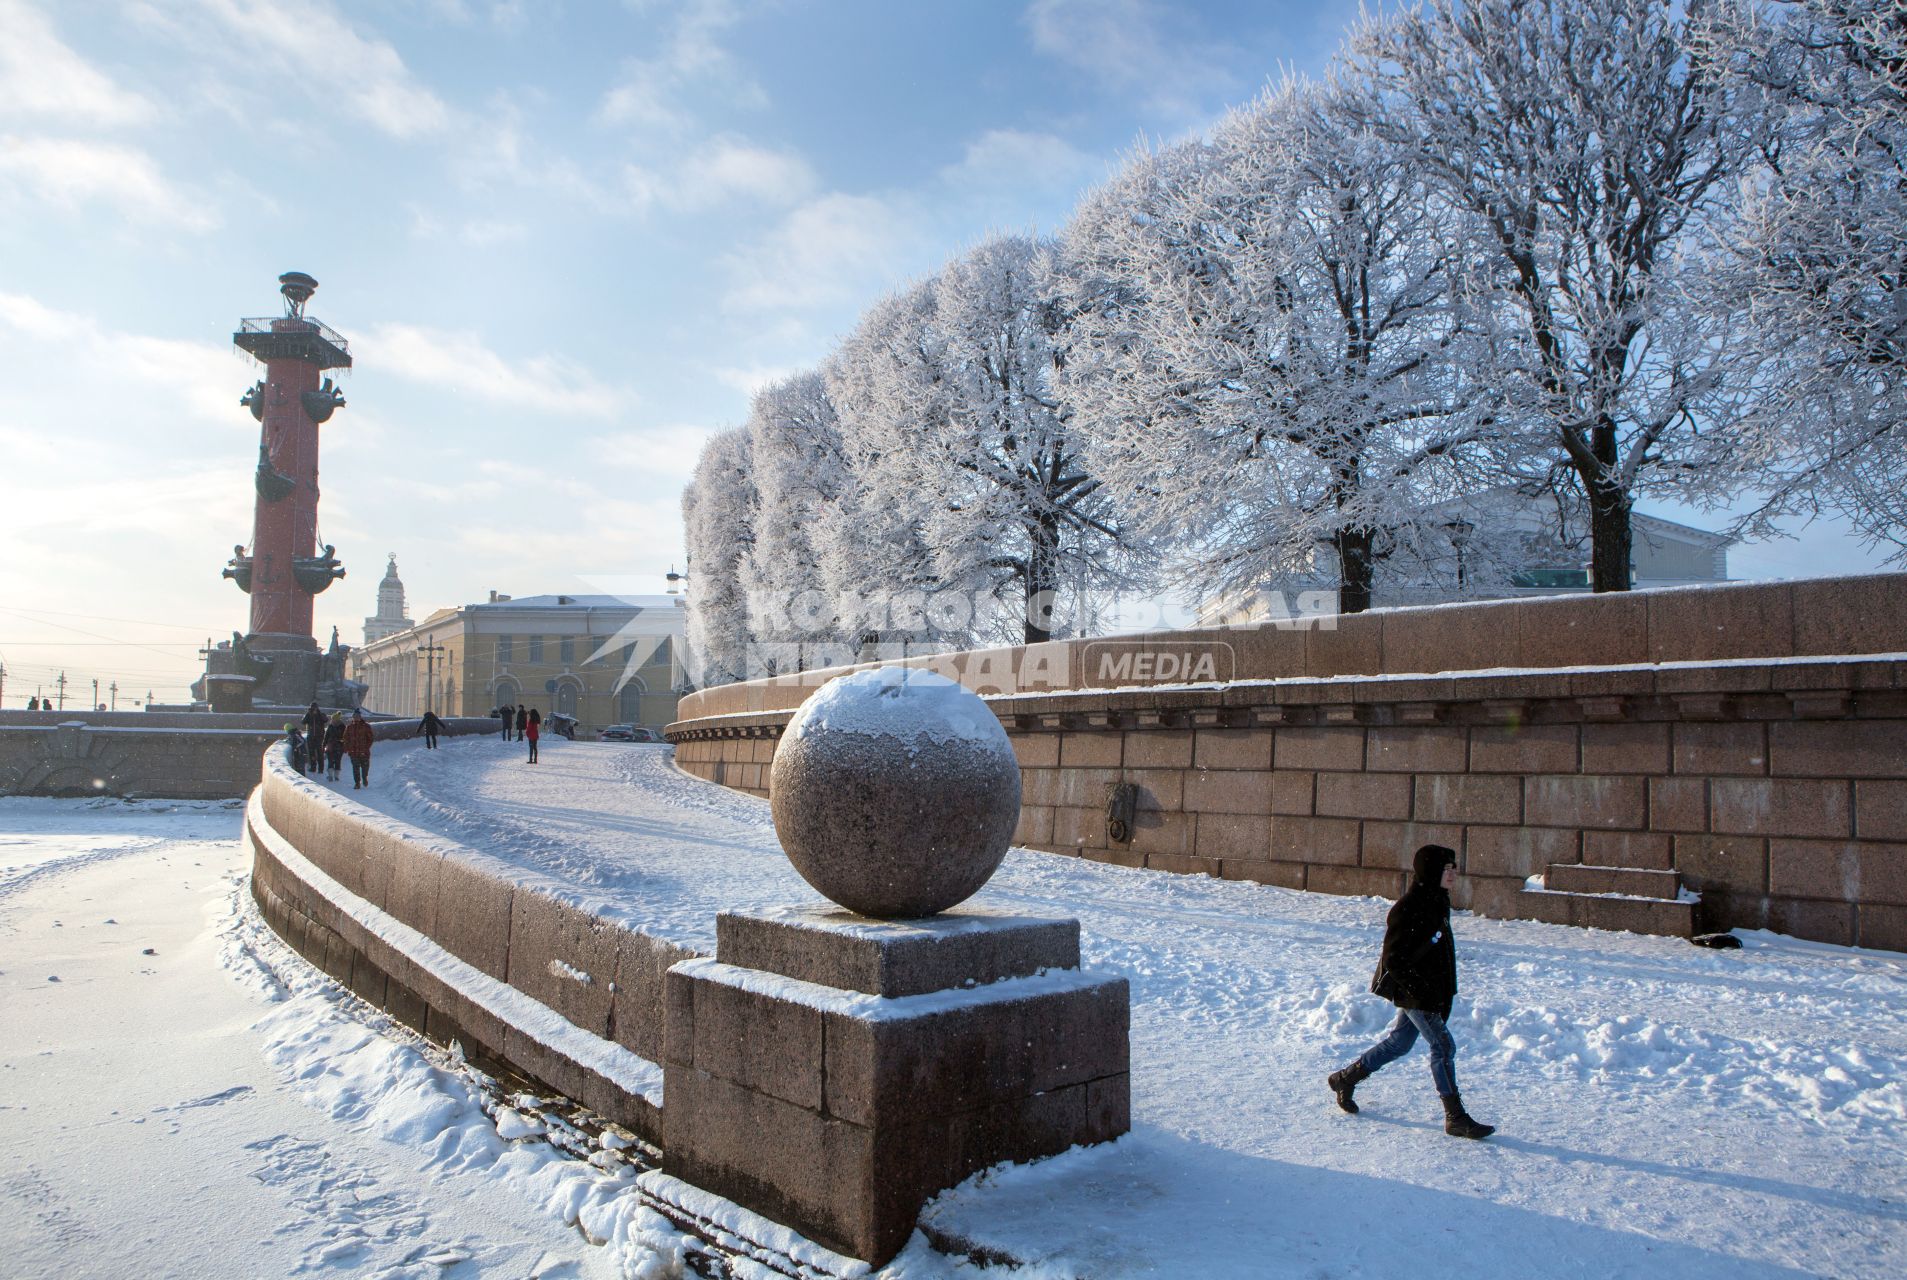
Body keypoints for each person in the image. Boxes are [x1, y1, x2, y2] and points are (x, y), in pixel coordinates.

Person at [1327, 844, 1495, 1140]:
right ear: (1432, 871)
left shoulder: (1437, 900)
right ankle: (1455, 1116)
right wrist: (1422, 992)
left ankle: (1345, 1079)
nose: (1454, 873)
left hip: (1430, 993)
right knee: (1443, 1047)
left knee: (1399, 1044)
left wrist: (1445, 993)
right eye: (1447, 868)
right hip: (1417, 994)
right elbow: (1394, 959)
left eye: (1454, 867)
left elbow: (1441, 953)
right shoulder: (1409, 907)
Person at [342, 709, 376, 789]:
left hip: (364, 752)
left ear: (360, 717)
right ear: (352, 717)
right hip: (353, 752)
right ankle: (357, 783)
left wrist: (366, 747)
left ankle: (364, 778)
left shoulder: (366, 726)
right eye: (354, 716)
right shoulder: (349, 727)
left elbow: (370, 738)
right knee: (355, 768)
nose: (356, 718)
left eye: (357, 716)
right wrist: (347, 748)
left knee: (365, 768)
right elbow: (345, 738)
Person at [301, 702, 327, 775]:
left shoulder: (321, 714)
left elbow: (325, 720)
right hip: (311, 736)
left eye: (315, 707)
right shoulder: (309, 715)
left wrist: (319, 714)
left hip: (319, 737)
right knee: (311, 753)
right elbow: (303, 722)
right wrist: (309, 714)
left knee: (320, 753)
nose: (314, 709)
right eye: (313, 708)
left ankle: (321, 769)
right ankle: (313, 767)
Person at [323, 712, 346, 781]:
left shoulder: (341, 727)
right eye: (332, 719)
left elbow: (345, 737)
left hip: (336, 746)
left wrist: (341, 742)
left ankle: (334, 776)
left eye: (333, 719)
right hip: (333, 747)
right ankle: (332, 776)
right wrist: (324, 744)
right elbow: (326, 736)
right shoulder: (337, 726)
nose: (332, 720)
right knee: (333, 761)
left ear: (337, 719)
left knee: (336, 761)